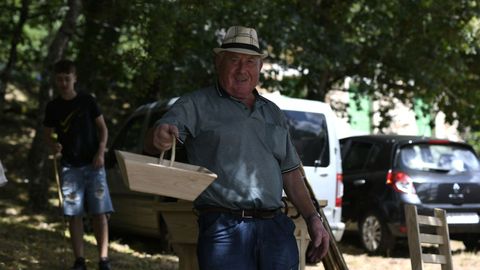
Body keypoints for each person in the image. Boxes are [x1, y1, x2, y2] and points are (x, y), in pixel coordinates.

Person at [144, 26, 329, 270]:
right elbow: (156, 139)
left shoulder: (272, 112)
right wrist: (159, 137)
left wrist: (313, 219)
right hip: (224, 229)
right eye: (234, 60)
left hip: (275, 228)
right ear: (218, 61)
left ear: (260, 67)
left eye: (250, 61)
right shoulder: (197, 103)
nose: (242, 69)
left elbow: (291, 175)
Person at [43, 59, 113, 270]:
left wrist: (101, 152)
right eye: (59, 79)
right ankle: (79, 260)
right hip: (69, 167)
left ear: (75, 79)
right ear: (56, 81)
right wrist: (53, 145)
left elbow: (103, 129)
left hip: (94, 165)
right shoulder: (53, 106)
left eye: (67, 79)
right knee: (74, 213)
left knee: (99, 212)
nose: (64, 83)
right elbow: (47, 134)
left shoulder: (87, 101)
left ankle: (103, 260)